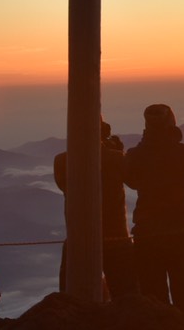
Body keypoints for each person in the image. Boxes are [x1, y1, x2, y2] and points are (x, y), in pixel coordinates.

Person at [122, 103, 184, 314]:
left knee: (152, 294)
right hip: (181, 231)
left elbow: (130, 180)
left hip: (147, 231)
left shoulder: (135, 155)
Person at [53, 120, 138, 300]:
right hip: (116, 237)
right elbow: (134, 181)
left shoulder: (61, 161)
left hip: (78, 238)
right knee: (126, 297)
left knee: (72, 299)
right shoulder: (116, 158)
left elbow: (63, 186)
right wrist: (116, 152)